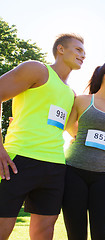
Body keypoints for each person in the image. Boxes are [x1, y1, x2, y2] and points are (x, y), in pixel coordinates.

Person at [0, 33, 85, 240]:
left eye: (85, 52)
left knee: (45, 231)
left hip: (55, 166)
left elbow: (72, 130)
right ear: (61, 49)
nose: (83, 55)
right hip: (18, 159)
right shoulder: (37, 69)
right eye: (78, 50)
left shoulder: (71, 94)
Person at [62, 62, 105, 240]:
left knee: (103, 234)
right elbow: (69, 127)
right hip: (74, 171)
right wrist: (81, 135)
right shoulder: (82, 100)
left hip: (103, 176)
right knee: (76, 234)